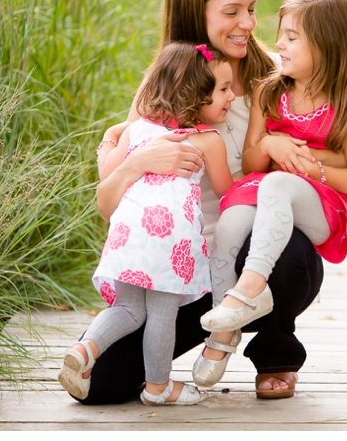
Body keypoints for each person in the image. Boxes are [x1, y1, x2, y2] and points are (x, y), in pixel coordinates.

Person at [79, 0, 347, 404]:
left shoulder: (276, 71)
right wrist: (134, 161)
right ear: (196, 15)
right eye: (231, 12)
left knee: (286, 237)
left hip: (258, 256)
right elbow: (110, 205)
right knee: (102, 387)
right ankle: (171, 340)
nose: (248, 24)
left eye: (250, 9)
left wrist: (283, 150)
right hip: (181, 270)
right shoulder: (160, 90)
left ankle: (276, 353)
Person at [195, 0, 347, 397]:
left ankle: (250, 288)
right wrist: (268, 147)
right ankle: (224, 329)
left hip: (321, 205)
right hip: (267, 190)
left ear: (328, 44)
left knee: (279, 183)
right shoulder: (270, 92)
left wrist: (311, 169)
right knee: (232, 220)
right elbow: (250, 162)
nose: (278, 44)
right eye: (281, 34)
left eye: (292, 37)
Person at [58, 42, 235, 406]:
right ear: (196, 96)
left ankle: (86, 348)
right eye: (223, 89)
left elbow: (108, 174)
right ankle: (158, 388)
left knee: (127, 309)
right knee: (161, 313)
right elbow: (226, 192)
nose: (230, 96)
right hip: (171, 239)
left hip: (128, 233)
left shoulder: (137, 129)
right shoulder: (208, 140)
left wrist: (110, 135)